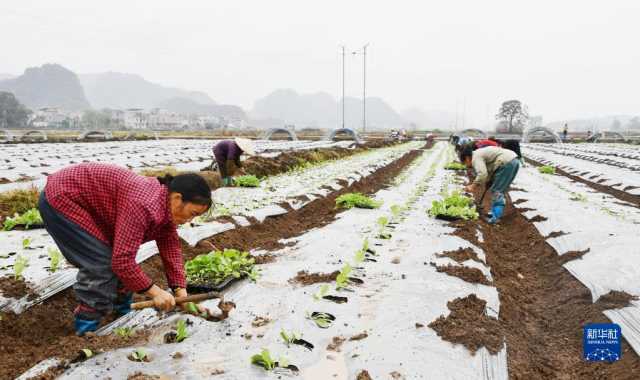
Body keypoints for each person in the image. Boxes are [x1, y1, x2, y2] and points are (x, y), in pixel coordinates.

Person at [39, 163, 213, 335]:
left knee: (119, 257)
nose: (190, 220)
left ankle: (122, 316)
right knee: (101, 265)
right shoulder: (144, 204)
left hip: (93, 205)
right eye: (193, 214)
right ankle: (85, 329)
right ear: (177, 198)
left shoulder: (165, 205)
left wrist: (180, 293)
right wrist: (155, 292)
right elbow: (122, 261)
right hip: (64, 197)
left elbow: (171, 248)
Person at [461, 145, 520, 224]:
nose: (466, 166)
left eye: (465, 163)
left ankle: (495, 218)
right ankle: (494, 213)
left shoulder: (475, 158)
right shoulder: (477, 154)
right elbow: (490, 168)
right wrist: (490, 181)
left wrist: (473, 186)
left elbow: (482, 174)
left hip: (506, 162)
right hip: (512, 161)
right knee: (498, 189)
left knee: (496, 190)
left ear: (467, 158)